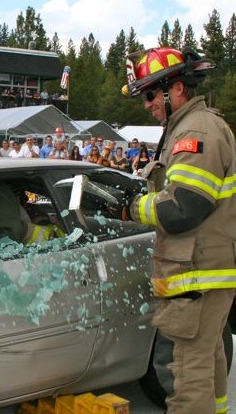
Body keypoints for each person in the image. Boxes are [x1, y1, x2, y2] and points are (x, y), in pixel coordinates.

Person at [120, 47, 236, 414]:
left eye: (151, 94)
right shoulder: (187, 127)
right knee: (207, 367)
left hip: (195, 277)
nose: (147, 104)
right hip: (200, 276)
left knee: (186, 377)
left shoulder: (197, 131)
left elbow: (184, 208)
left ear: (177, 90)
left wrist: (129, 208)